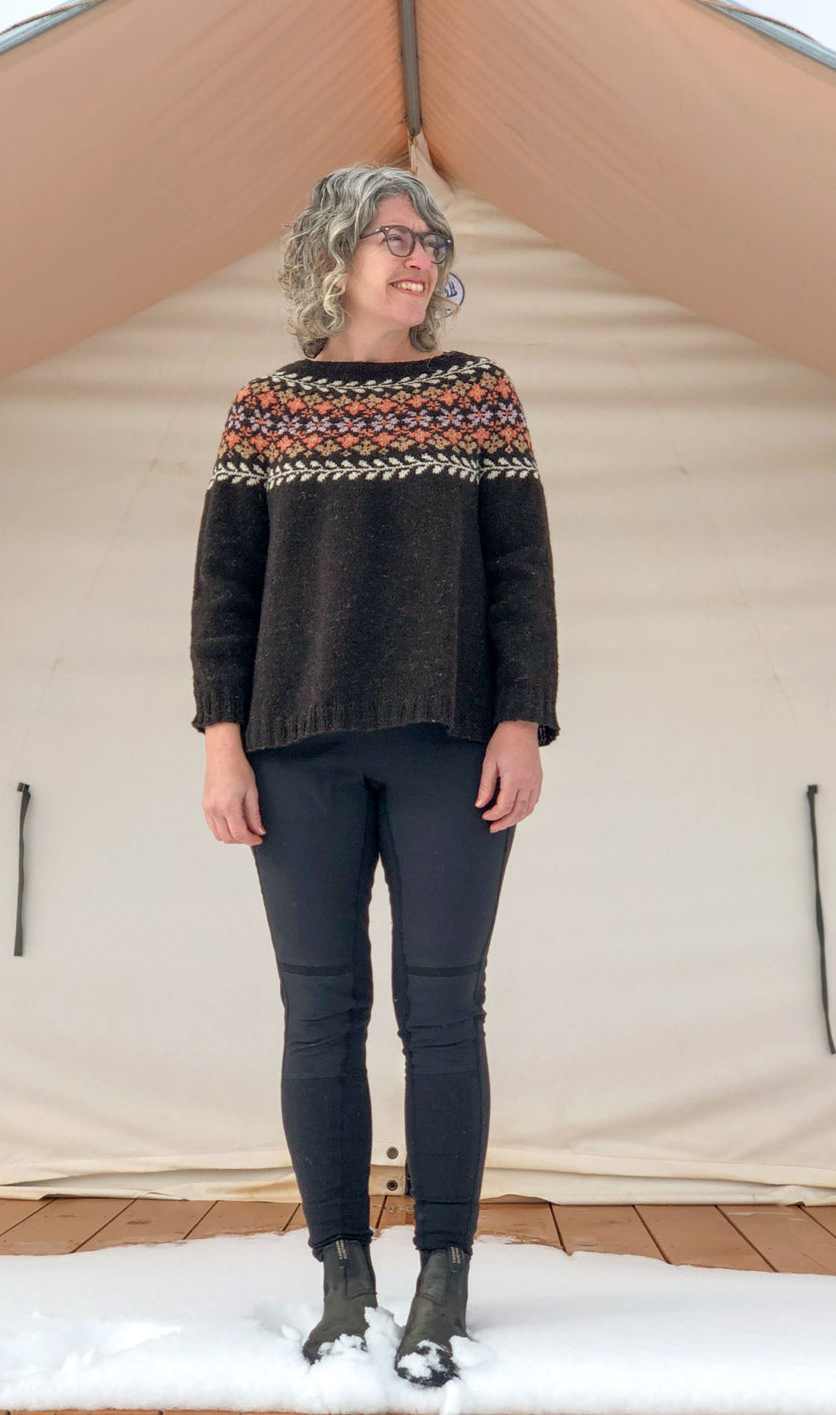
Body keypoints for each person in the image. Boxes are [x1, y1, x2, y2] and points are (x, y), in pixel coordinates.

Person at [189, 162, 560, 1389]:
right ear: (334, 254)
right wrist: (219, 737)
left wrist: (522, 720)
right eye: (393, 237)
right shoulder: (267, 408)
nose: (419, 257)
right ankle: (344, 1276)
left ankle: (441, 1276)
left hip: (453, 743)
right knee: (319, 1010)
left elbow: (520, 573)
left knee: (444, 1010)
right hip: (294, 747)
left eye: (431, 239)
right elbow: (226, 587)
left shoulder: (479, 395)